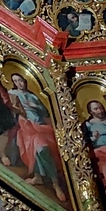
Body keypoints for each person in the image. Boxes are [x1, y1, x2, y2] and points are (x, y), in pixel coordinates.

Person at [7, 74, 67, 202]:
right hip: (26, 127)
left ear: (25, 81)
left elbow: (45, 112)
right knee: (39, 150)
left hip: (40, 126)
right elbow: (9, 109)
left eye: (20, 80)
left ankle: (48, 180)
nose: (19, 83)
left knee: (42, 150)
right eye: (15, 81)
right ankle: (47, 180)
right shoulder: (12, 93)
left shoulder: (33, 96)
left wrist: (35, 106)